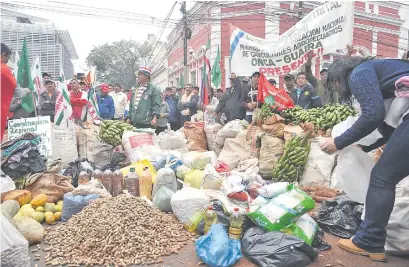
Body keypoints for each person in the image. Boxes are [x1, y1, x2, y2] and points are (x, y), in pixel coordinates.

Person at [320, 56, 409, 262]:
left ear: (339, 75)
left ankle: (369, 240)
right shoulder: (384, 72)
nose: (337, 88)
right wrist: (366, 146)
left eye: (333, 83)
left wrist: (338, 142)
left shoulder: (359, 72)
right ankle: (373, 243)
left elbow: (373, 114)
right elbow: (388, 128)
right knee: (386, 175)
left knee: (382, 178)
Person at [1, 43, 31, 140]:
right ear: (3, 54)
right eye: (8, 58)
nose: (7, 61)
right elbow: (17, 91)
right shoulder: (4, 69)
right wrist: (27, 90)